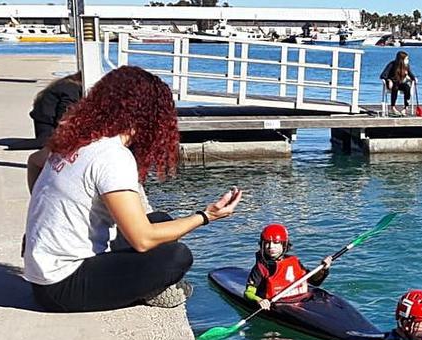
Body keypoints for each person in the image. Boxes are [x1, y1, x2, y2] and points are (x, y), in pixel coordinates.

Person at [23, 66, 242, 312]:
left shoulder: (80, 137)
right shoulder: (113, 156)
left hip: (42, 272)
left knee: (161, 220)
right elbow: (142, 240)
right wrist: (206, 216)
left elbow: (34, 162)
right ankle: (151, 292)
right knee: (176, 257)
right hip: (61, 288)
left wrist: (46, 218)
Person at [243, 224, 332, 310]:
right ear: (262, 245)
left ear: (284, 244)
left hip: (298, 300)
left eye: (276, 242)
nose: (271, 246)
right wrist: (259, 300)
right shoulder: (261, 268)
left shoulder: (294, 261)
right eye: (267, 243)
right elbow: (248, 292)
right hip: (276, 305)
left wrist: (323, 269)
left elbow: (313, 281)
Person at [30, 72, 83, 146]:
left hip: (44, 118)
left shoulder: (67, 84)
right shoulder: (71, 89)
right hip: (48, 123)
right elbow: (65, 113)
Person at [380, 50, 416, 116]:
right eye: (406, 59)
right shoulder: (392, 64)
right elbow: (383, 75)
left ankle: (405, 107)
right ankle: (393, 107)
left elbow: (410, 74)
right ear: (401, 60)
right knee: (395, 87)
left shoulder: (406, 66)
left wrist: (414, 79)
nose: (407, 60)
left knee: (407, 87)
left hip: (400, 83)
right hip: (392, 83)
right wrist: (388, 80)